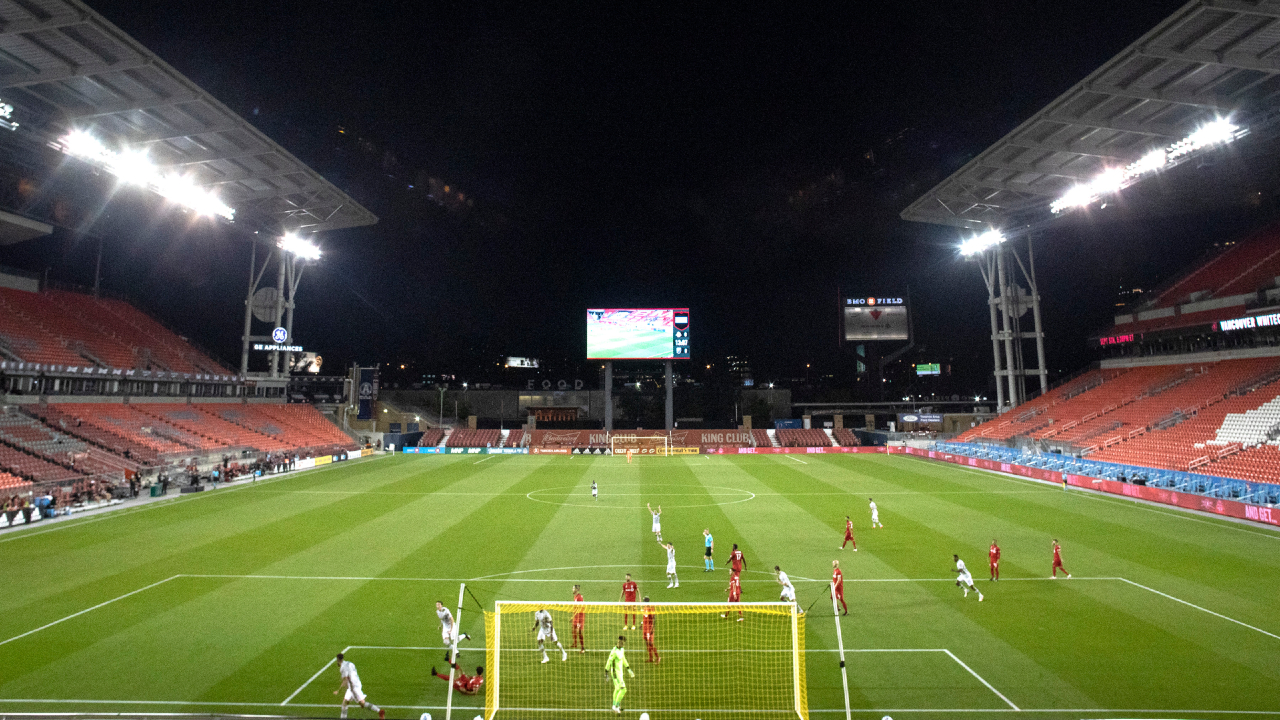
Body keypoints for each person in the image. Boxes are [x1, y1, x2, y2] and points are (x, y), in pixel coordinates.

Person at [332, 652, 385, 719]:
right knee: (346, 702)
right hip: (357, 683)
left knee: (361, 703)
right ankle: (379, 711)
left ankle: (380, 711)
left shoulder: (342, 668)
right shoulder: (350, 663)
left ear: (338, 660)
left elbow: (345, 680)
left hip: (353, 688)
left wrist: (338, 690)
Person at [604, 635, 636, 714]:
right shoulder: (614, 651)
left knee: (617, 689)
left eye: (623, 642)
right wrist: (606, 672)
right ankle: (617, 706)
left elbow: (623, 659)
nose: (622, 644)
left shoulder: (622, 649)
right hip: (615, 674)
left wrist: (628, 669)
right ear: (618, 641)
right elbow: (609, 661)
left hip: (620, 673)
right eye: (621, 642)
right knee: (623, 689)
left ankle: (614, 706)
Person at [641, 597, 659, 662]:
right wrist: (641, 624)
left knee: (650, 643)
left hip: (649, 628)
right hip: (645, 628)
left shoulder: (651, 608)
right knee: (646, 643)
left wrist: (652, 628)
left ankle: (658, 657)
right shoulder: (644, 608)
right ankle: (651, 658)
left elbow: (654, 618)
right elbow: (644, 617)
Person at [570, 584, 587, 654]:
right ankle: (575, 643)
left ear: (577, 589)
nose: (572, 589)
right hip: (576, 617)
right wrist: (573, 617)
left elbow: (580, 608)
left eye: (573, 588)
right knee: (573, 630)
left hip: (579, 618)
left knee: (579, 632)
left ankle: (583, 648)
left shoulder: (580, 598)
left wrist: (577, 620)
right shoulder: (575, 597)